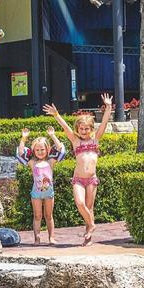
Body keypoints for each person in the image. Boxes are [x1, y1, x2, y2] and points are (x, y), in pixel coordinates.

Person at [43, 94, 112, 245]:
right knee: (80, 203)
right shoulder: (75, 141)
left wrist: (108, 107)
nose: (84, 131)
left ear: (91, 129)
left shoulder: (95, 139)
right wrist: (56, 115)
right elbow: (65, 128)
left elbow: (104, 123)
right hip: (78, 179)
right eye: (81, 128)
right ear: (77, 129)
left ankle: (88, 236)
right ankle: (92, 224)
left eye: (87, 128)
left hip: (91, 179)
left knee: (89, 207)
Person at [16, 127, 66, 245]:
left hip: (49, 193)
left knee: (49, 216)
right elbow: (21, 152)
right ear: (33, 151)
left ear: (47, 149)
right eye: (37, 150)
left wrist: (52, 135)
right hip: (36, 194)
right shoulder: (32, 163)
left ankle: (51, 238)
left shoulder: (50, 161)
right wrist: (24, 138)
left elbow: (60, 149)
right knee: (37, 216)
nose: (40, 152)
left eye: (42, 149)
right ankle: (37, 238)